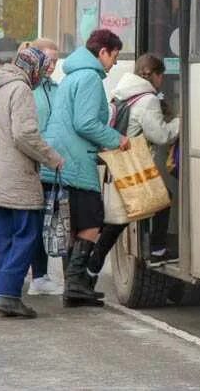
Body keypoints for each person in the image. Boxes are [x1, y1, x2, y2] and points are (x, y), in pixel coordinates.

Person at [41, 28, 130, 307]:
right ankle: (76, 285)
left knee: (77, 223)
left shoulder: (71, 76)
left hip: (62, 156)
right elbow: (86, 123)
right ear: (102, 51)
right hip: (76, 160)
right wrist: (118, 140)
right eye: (113, 56)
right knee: (92, 220)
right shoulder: (90, 78)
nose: (114, 62)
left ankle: (74, 286)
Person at [0, 47, 64, 318]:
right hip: (16, 177)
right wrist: (52, 158)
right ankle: (8, 294)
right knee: (27, 234)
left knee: (3, 239)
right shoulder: (21, 89)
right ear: (33, 69)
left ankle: (6, 293)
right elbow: (24, 134)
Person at [86, 54, 180, 278]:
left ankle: (88, 270)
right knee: (159, 201)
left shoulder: (122, 93)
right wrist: (181, 121)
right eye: (161, 76)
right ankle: (156, 250)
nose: (161, 82)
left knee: (117, 222)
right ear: (155, 75)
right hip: (133, 167)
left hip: (119, 165)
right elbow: (161, 135)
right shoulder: (147, 99)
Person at [27, 38, 63, 296]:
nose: (51, 65)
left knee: (46, 221)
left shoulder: (55, 88)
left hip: (51, 164)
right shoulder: (27, 89)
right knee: (32, 223)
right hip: (33, 164)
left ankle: (41, 276)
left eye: (55, 61)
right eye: (48, 60)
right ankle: (36, 276)